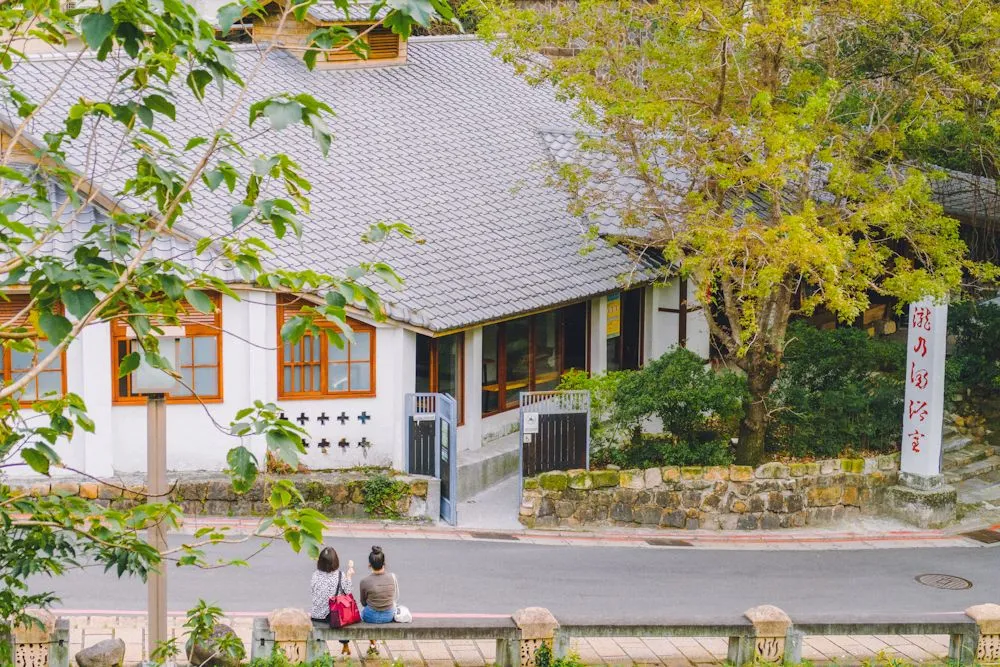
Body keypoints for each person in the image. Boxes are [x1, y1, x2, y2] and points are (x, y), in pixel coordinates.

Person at [309, 546, 355, 655]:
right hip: (331, 617)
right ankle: (345, 645)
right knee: (344, 614)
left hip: (316, 615)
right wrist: (349, 576)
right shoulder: (340, 575)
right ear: (335, 561)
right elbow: (348, 592)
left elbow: (313, 591)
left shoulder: (315, 575)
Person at [359, 545, 399, 656]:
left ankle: (373, 643)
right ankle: (373, 644)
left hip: (370, 616)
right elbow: (392, 596)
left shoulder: (364, 581)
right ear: (384, 563)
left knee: (363, 611)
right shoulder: (392, 577)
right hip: (388, 615)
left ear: (369, 565)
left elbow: (363, 603)